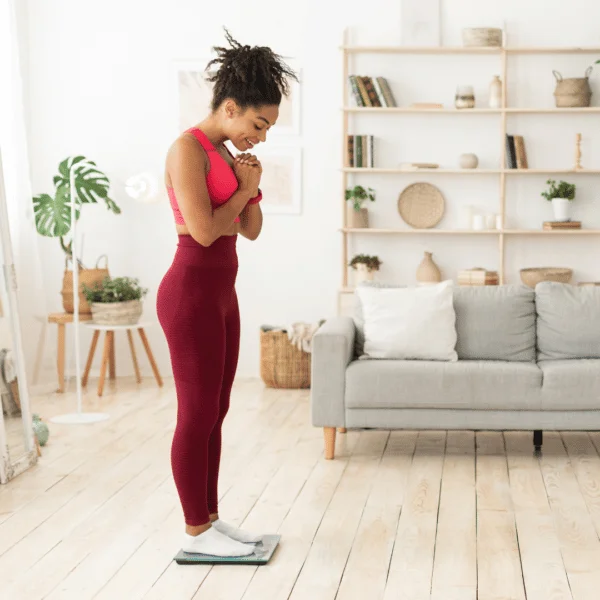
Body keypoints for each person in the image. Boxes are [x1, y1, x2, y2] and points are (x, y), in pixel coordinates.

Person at [156, 30, 297, 557]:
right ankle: (195, 529)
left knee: (217, 409)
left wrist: (251, 184)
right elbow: (205, 230)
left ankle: (212, 520)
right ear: (232, 108)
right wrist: (239, 192)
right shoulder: (187, 148)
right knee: (194, 414)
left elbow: (252, 229)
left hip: (221, 294)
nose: (261, 135)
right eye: (258, 124)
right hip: (189, 294)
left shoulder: (226, 153)